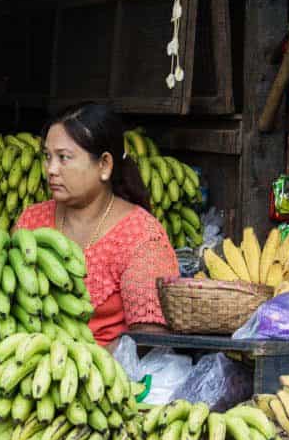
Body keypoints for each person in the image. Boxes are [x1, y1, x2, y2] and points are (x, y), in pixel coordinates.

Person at [14, 102, 178, 349]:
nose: (51, 169)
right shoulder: (32, 221)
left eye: (64, 158)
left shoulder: (141, 237)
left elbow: (150, 336)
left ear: (104, 165)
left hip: (106, 376)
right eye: (47, 157)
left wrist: (88, 362)